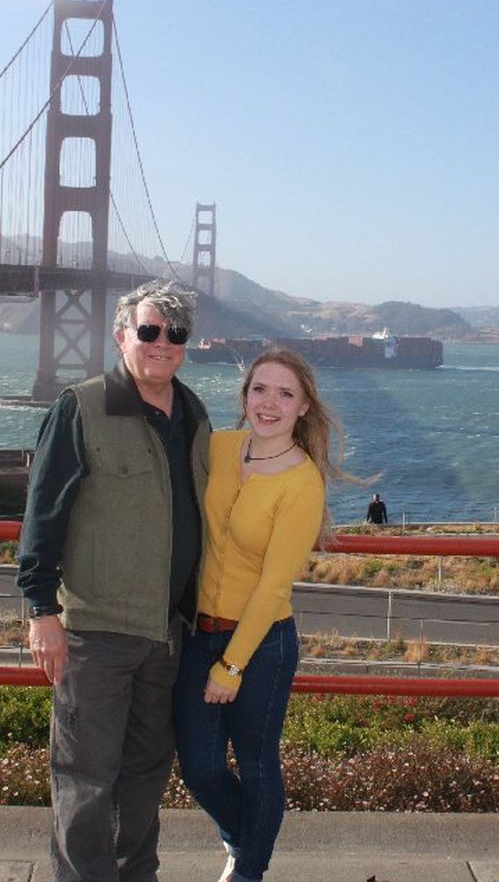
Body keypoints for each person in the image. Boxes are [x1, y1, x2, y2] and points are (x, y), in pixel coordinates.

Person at [16, 280, 210, 882]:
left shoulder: (195, 413)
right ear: (122, 336)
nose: (162, 343)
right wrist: (41, 611)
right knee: (86, 779)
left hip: (168, 634)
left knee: (147, 775)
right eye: (149, 330)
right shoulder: (81, 407)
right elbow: (43, 514)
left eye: (175, 333)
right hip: (95, 633)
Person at [173, 348, 355, 882]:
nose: (269, 404)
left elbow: (275, 585)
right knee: (200, 769)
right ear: (245, 395)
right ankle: (243, 841)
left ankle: (248, 871)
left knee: (256, 764)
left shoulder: (303, 482)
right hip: (198, 632)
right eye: (260, 390)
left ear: (304, 407)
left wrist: (231, 666)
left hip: (262, 646)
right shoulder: (219, 447)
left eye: (285, 394)